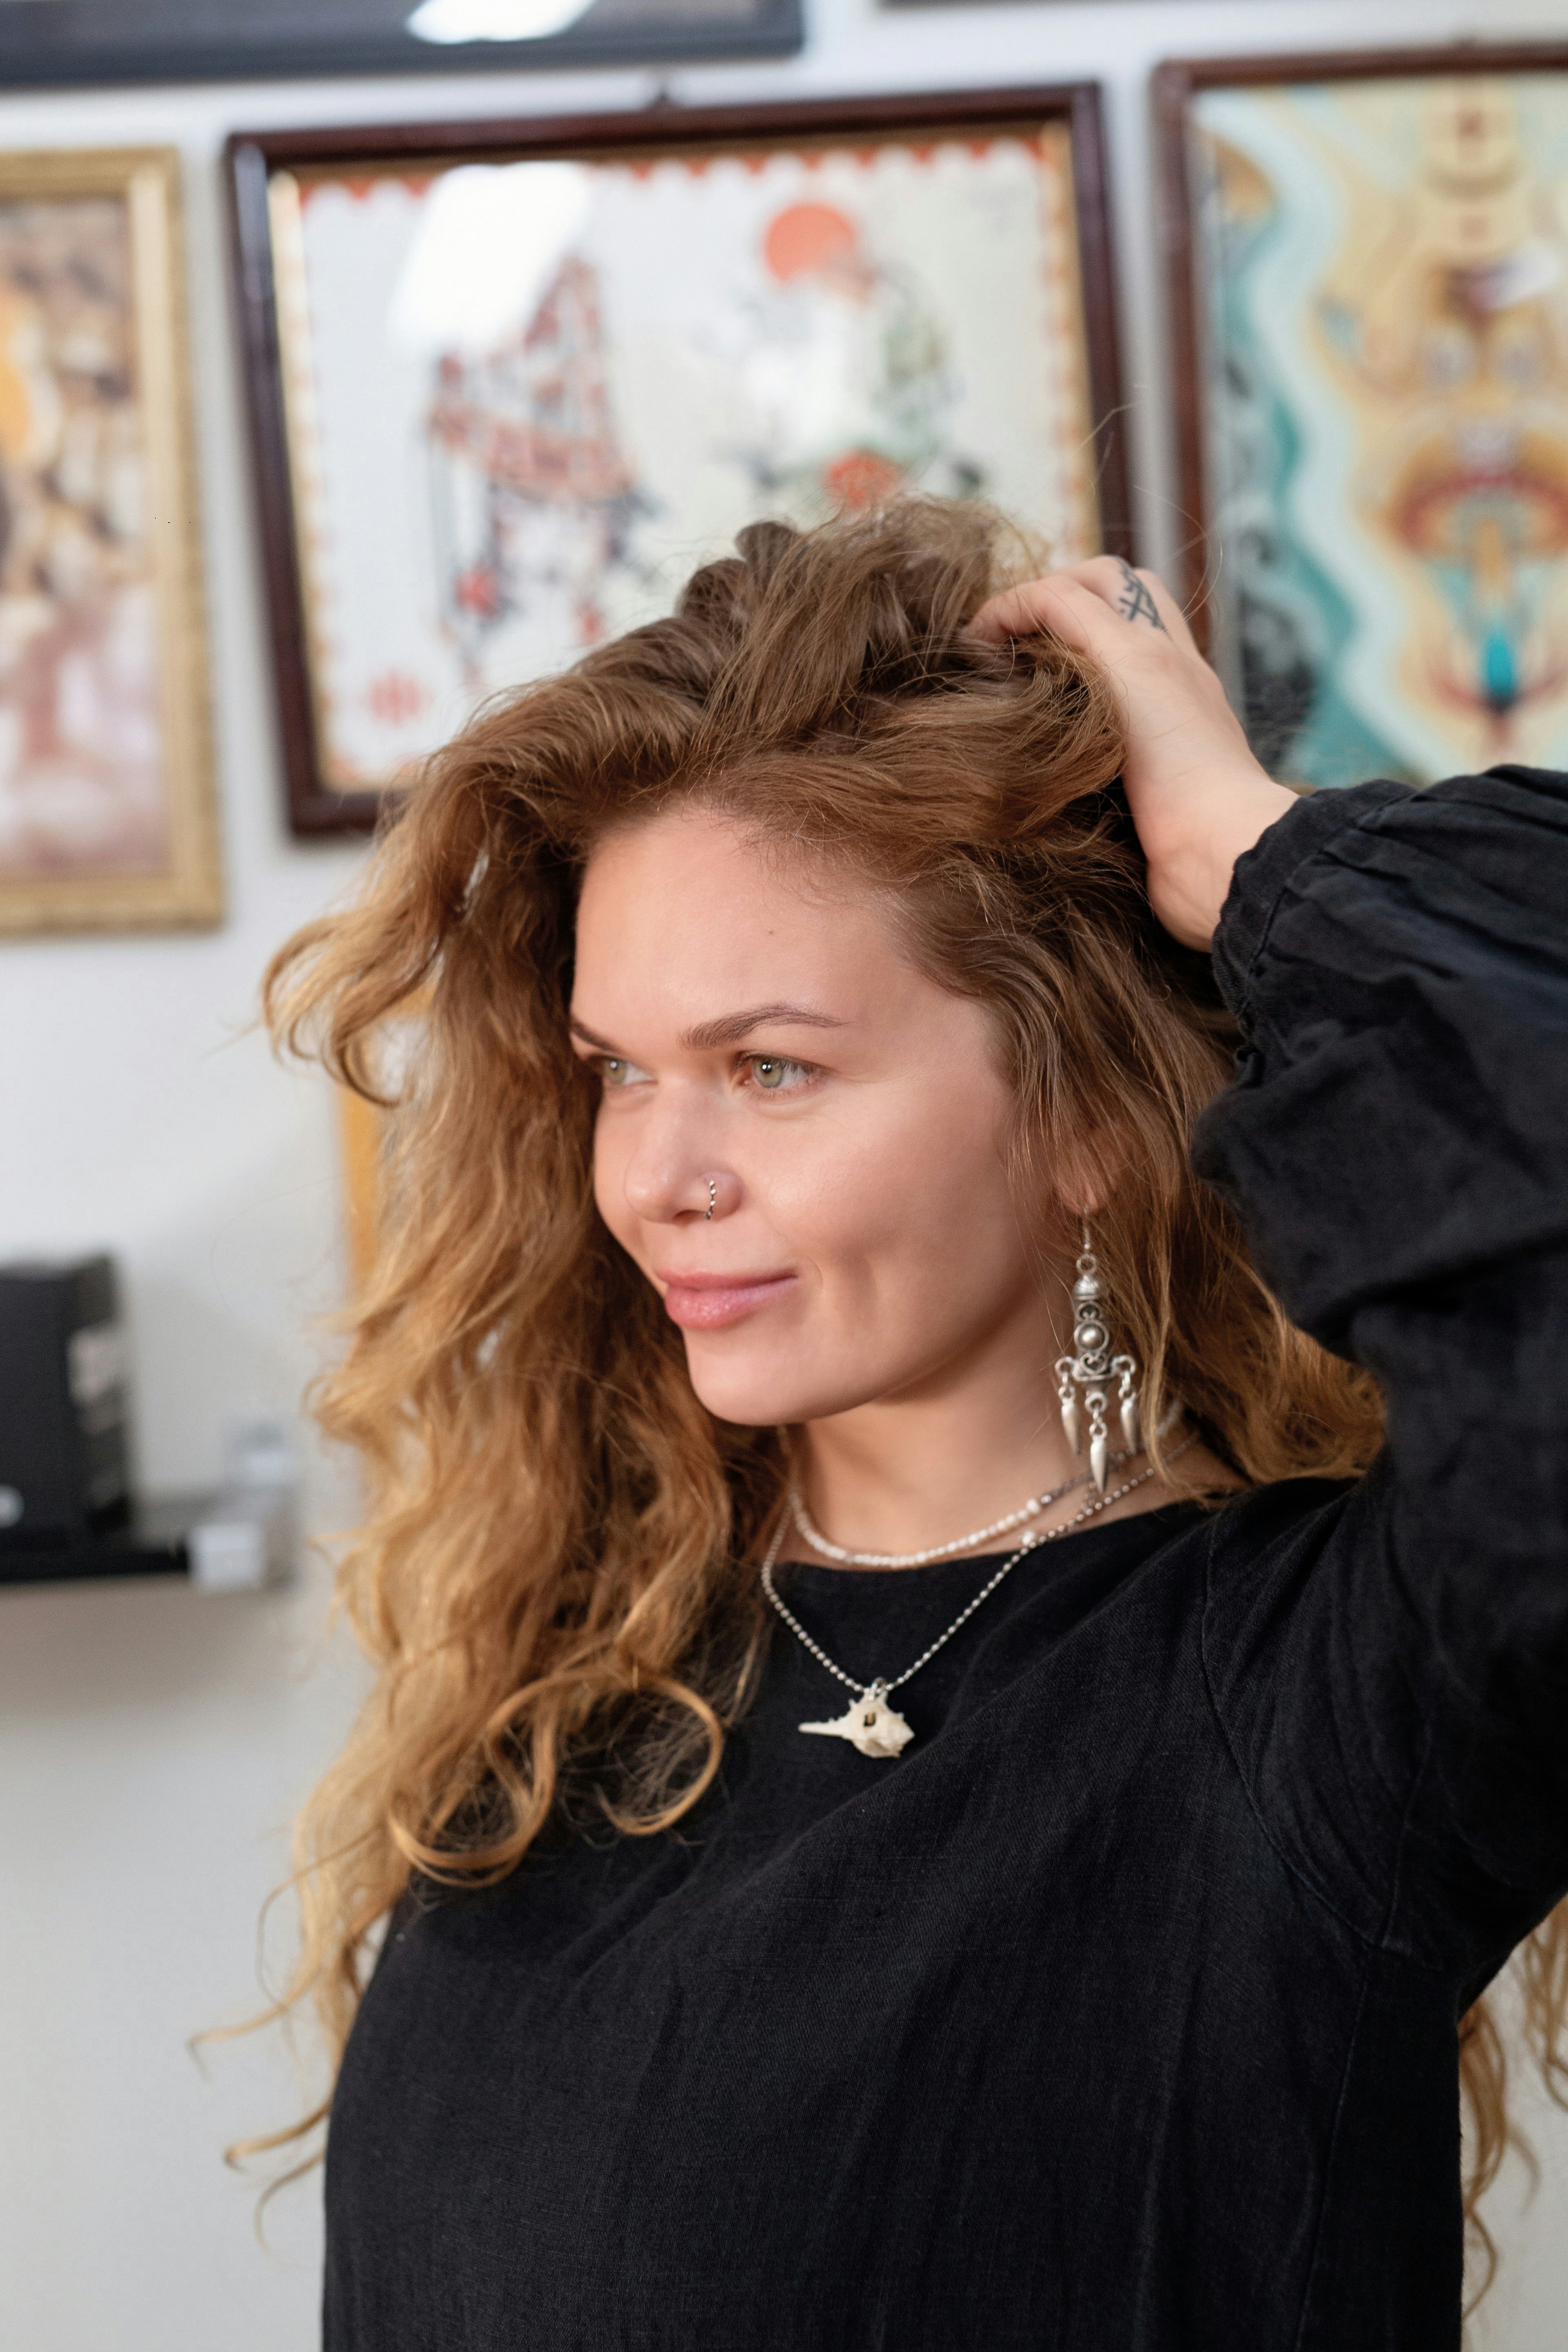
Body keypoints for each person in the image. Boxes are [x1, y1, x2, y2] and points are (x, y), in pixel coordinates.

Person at [260, 503, 1568, 2351]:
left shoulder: (1324, 1701)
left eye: (769, 1069)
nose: (654, 1175)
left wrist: (1262, 863)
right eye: (619, 1070)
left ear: (1090, 1119)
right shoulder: (583, 1672)